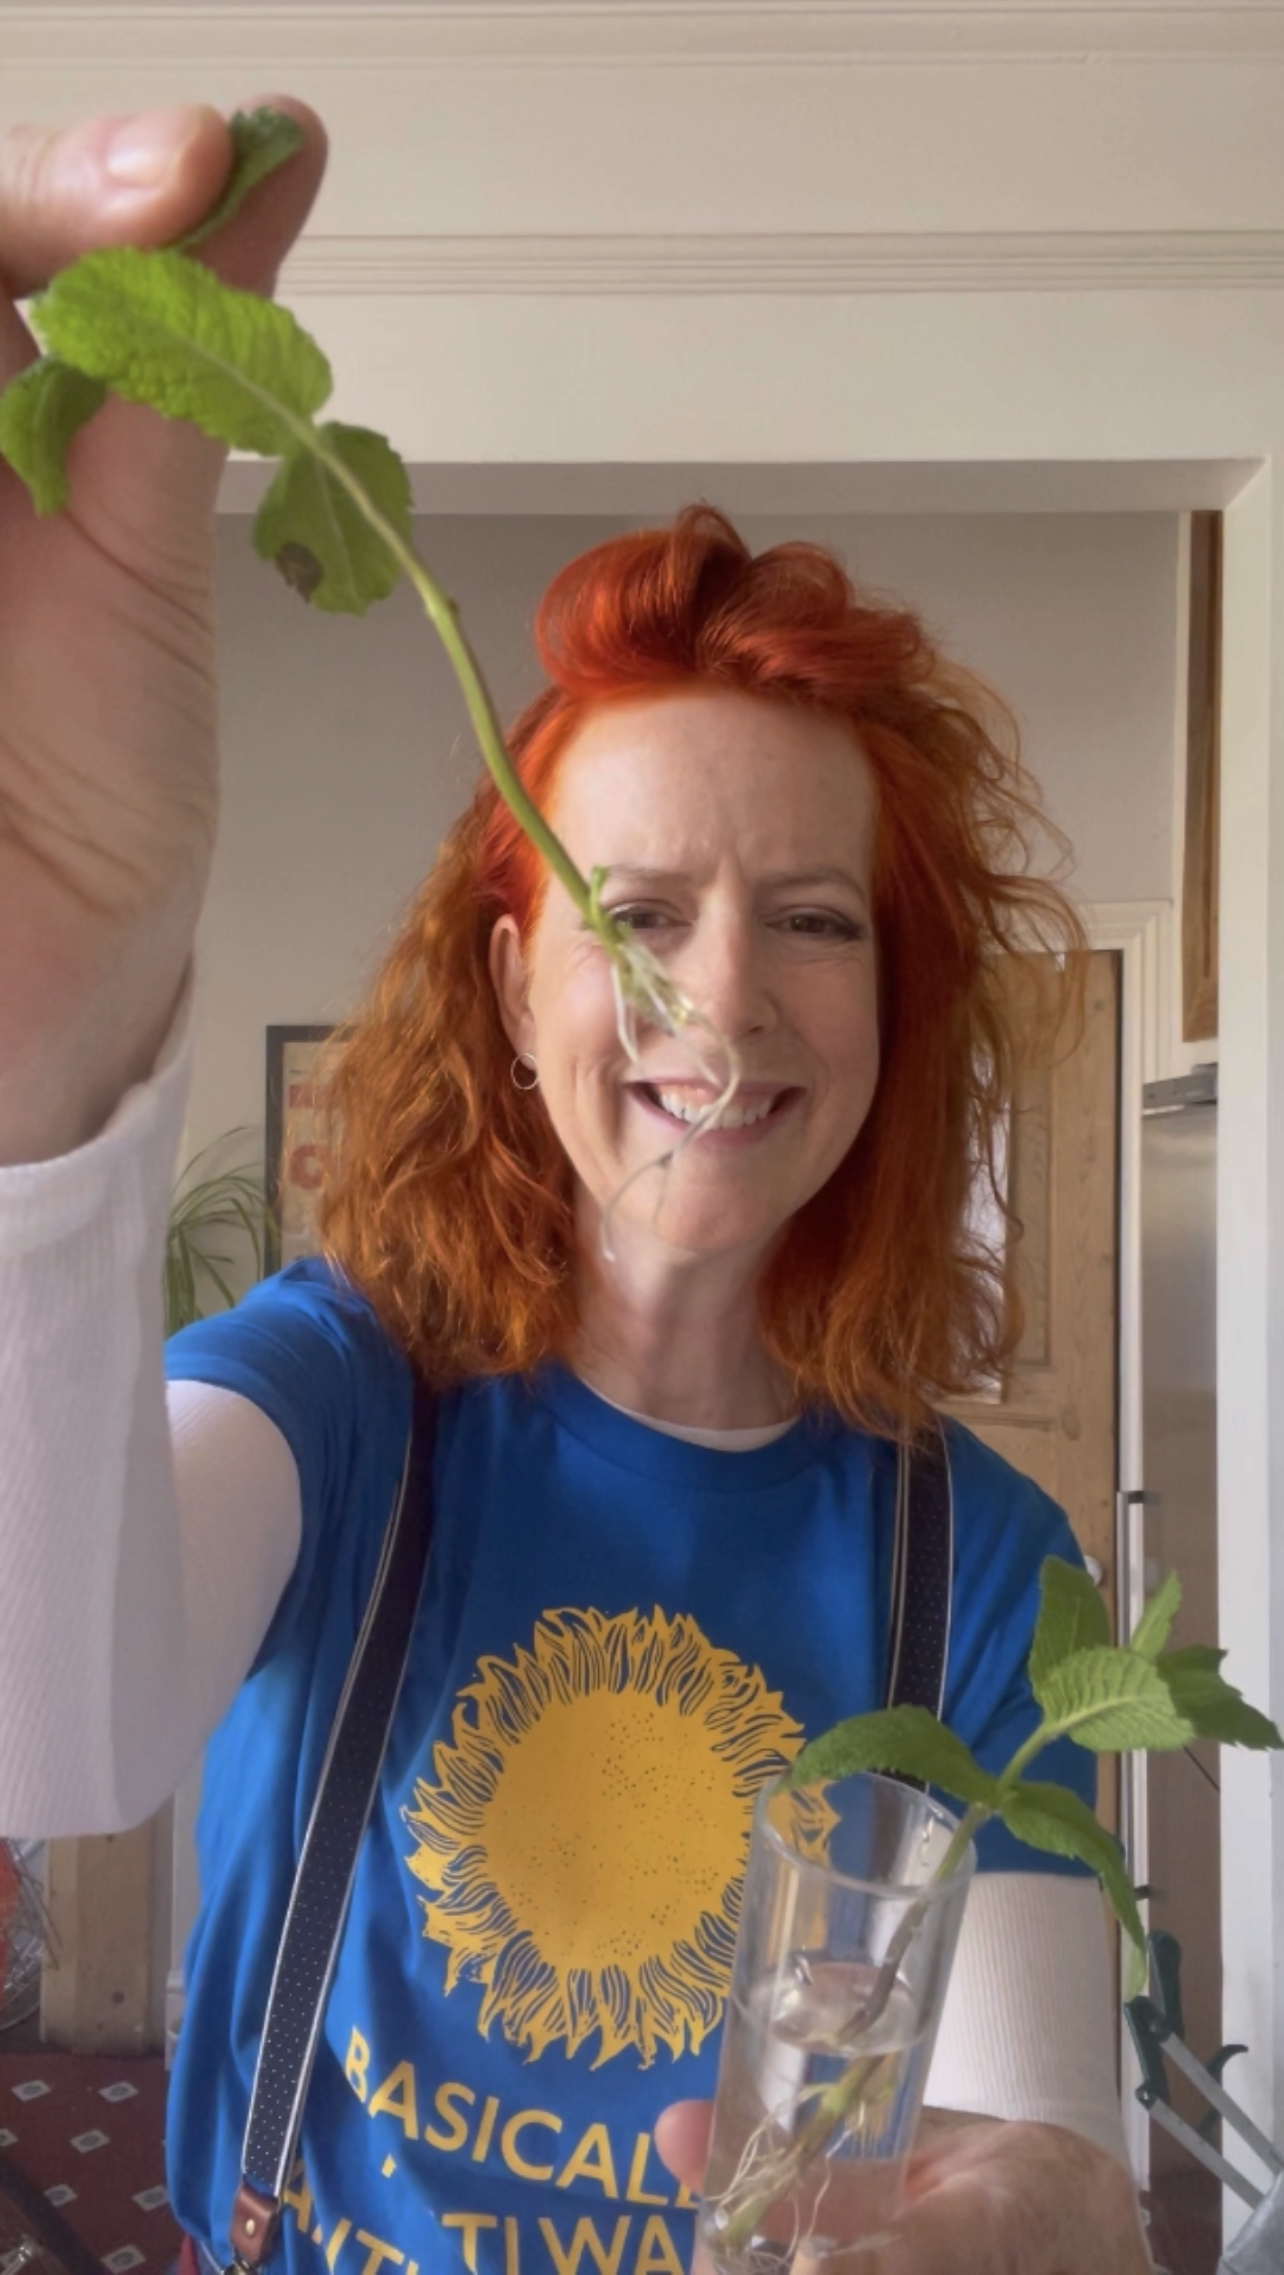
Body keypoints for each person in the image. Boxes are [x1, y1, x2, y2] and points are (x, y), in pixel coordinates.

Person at [0, 100, 1152, 2275]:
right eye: (638, 915)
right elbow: (42, 1731)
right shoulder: (339, 1396)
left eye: (814, 920)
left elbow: (1051, 2149)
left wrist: (1035, 2221)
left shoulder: (990, 1563)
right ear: (511, 979)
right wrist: (47, 1055)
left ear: (893, 1007)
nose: (724, 1003)